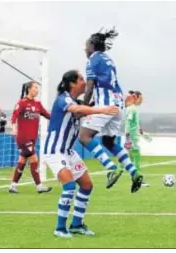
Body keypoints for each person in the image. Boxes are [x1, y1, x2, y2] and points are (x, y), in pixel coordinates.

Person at [44, 70, 119, 238]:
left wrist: (119, 104)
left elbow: (82, 109)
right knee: (69, 186)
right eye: (81, 79)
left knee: (86, 186)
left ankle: (77, 224)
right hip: (55, 151)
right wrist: (102, 110)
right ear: (72, 83)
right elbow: (77, 109)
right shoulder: (63, 99)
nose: (85, 82)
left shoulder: (73, 101)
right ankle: (60, 228)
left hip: (69, 152)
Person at [79, 27, 143, 192]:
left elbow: (90, 86)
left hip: (106, 106)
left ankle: (110, 168)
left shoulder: (92, 60)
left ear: (93, 45)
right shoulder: (108, 59)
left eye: (86, 46)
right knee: (109, 142)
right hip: (118, 104)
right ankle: (134, 173)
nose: (85, 49)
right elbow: (106, 85)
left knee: (84, 137)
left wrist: (84, 107)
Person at [9, 81, 52, 194]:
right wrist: (14, 129)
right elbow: (14, 116)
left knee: (22, 160)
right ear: (29, 89)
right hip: (23, 138)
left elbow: (48, 115)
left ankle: (13, 186)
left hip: (33, 138)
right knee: (34, 159)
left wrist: (60, 119)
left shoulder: (37, 104)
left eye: (37, 88)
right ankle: (39, 186)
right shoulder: (22, 103)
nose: (36, 90)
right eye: (35, 88)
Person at [124, 91, 149, 187]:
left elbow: (133, 124)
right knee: (135, 157)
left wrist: (140, 130)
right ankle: (137, 179)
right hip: (131, 138)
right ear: (136, 97)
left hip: (133, 137)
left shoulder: (135, 109)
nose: (142, 100)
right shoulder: (132, 109)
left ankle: (135, 178)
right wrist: (127, 138)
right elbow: (128, 123)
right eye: (141, 98)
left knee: (130, 158)